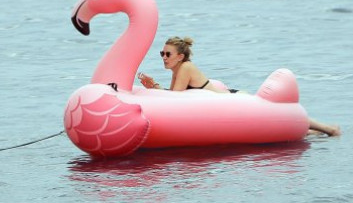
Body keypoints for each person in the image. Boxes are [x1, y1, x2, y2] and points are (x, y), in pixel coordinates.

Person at [137, 36, 341, 137]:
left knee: (278, 116)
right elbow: (175, 97)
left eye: (167, 54)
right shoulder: (178, 70)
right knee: (276, 124)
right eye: (161, 54)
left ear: (180, 56)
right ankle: (317, 133)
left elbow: (175, 98)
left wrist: (153, 86)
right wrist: (154, 86)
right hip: (228, 99)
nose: (163, 57)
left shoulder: (185, 68)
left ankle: (329, 129)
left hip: (234, 101)